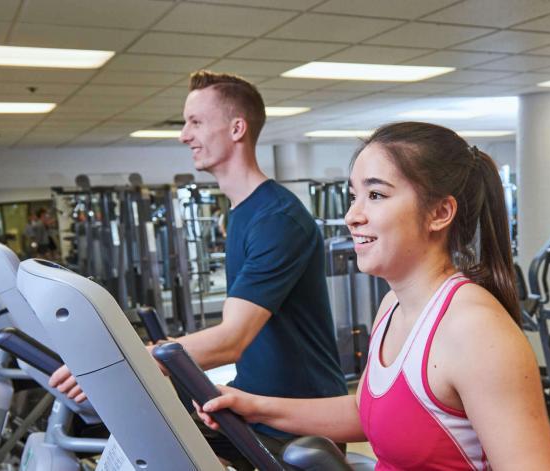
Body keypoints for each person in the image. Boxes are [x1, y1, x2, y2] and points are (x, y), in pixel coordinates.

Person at [197, 122, 550, 470]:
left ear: (440, 212)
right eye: (354, 196)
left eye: (375, 195)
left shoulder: (474, 330)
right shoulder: (392, 306)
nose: (352, 216)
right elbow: (369, 412)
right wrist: (253, 407)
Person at [49, 70, 347, 469]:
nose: (183, 135)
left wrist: (133, 359)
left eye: (196, 122)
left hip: (297, 422)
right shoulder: (242, 214)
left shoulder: (276, 218)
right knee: (140, 443)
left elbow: (231, 340)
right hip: (253, 403)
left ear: (237, 128)